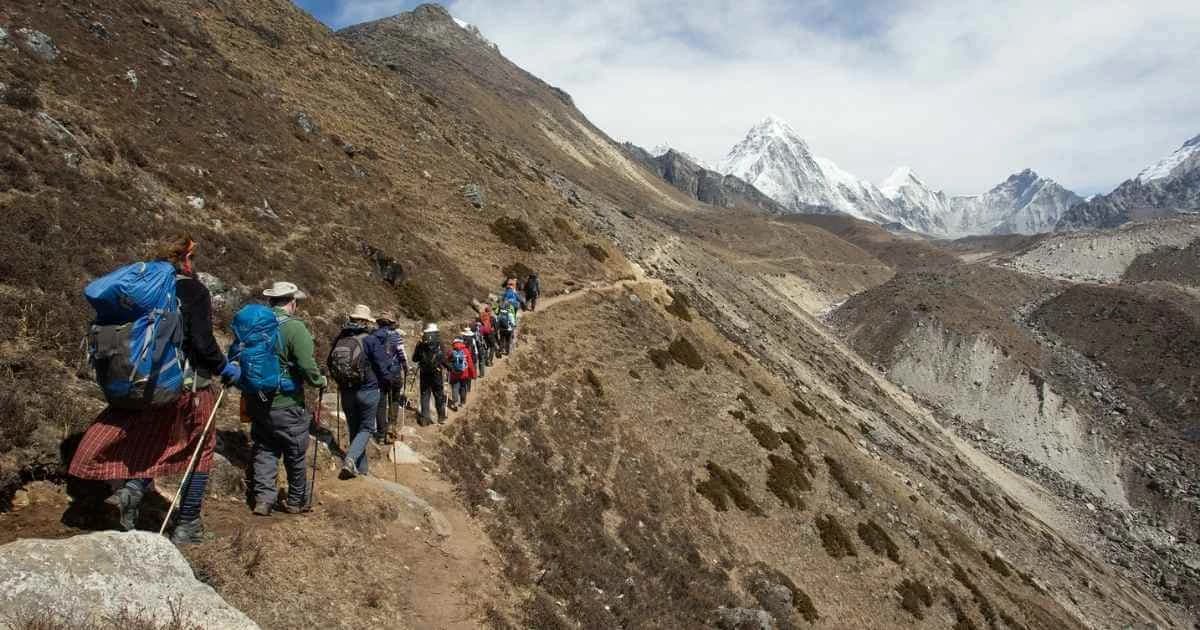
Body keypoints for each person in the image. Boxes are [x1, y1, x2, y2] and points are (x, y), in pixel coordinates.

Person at [70, 236, 240, 544]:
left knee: (156, 441)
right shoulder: (192, 289)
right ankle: (188, 525)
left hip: (146, 382)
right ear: (185, 258)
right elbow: (202, 343)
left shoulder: (143, 291)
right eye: (192, 257)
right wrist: (225, 368)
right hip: (188, 386)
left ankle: (130, 494)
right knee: (200, 449)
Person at [247, 281, 326, 516]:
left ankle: (263, 500)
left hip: (258, 400)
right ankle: (295, 501)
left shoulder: (255, 324)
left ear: (271, 301)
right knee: (295, 452)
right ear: (292, 302)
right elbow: (307, 365)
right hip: (287, 402)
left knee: (265, 450)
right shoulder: (295, 328)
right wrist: (319, 381)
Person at [328, 305, 393, 479]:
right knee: (367, 428)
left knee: (354, 428)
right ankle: (350, 460)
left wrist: (341, 382)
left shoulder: (340, 337)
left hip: (346, 391)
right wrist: (388, 382)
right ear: (366, 321)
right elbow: (383, 365)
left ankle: (361, 469)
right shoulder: (370, 340)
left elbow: (329, 363)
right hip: (368, 390)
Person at [373, 313, 408, 443]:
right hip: (394, 373)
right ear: (391, 323)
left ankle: (381, 434)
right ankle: (391, 428)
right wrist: (405, 368)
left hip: (380, 374)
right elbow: (402, 354)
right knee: (394, 399)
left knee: (381, 403)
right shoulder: (395, 336)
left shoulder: (373, 336)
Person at [411, 323, 448, 425]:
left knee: (425, 395)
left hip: (424, 372)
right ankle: (441, 417)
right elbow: (443, 359)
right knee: (438, 394)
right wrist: (449, 368)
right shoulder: (439, 343)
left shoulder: (421, 343)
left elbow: (414, 359)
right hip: (436, 372)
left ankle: (424, 419)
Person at [446, 331, 476, 410]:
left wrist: (448, 370)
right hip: (464, 373)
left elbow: (447, 362)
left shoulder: (451, 351)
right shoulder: (466, 351)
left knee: (455, 387)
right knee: (463, 387)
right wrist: (473, 374)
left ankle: (455, 402)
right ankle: (462, 402)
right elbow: (470, 364)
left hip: (454, 373)